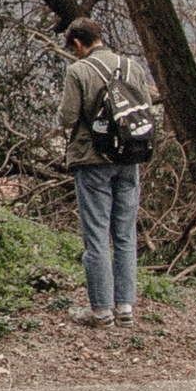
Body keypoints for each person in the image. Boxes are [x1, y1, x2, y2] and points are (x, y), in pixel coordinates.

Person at [56, 17, 148, 325]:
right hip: (129, 159)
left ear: (79, 44)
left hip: (92, 159)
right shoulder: (131, 66)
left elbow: (68, 118)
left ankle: (101, 311)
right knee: (124, 235)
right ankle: (125, 309)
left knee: (96, 236)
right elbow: (145, 108)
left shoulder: (79, 70)